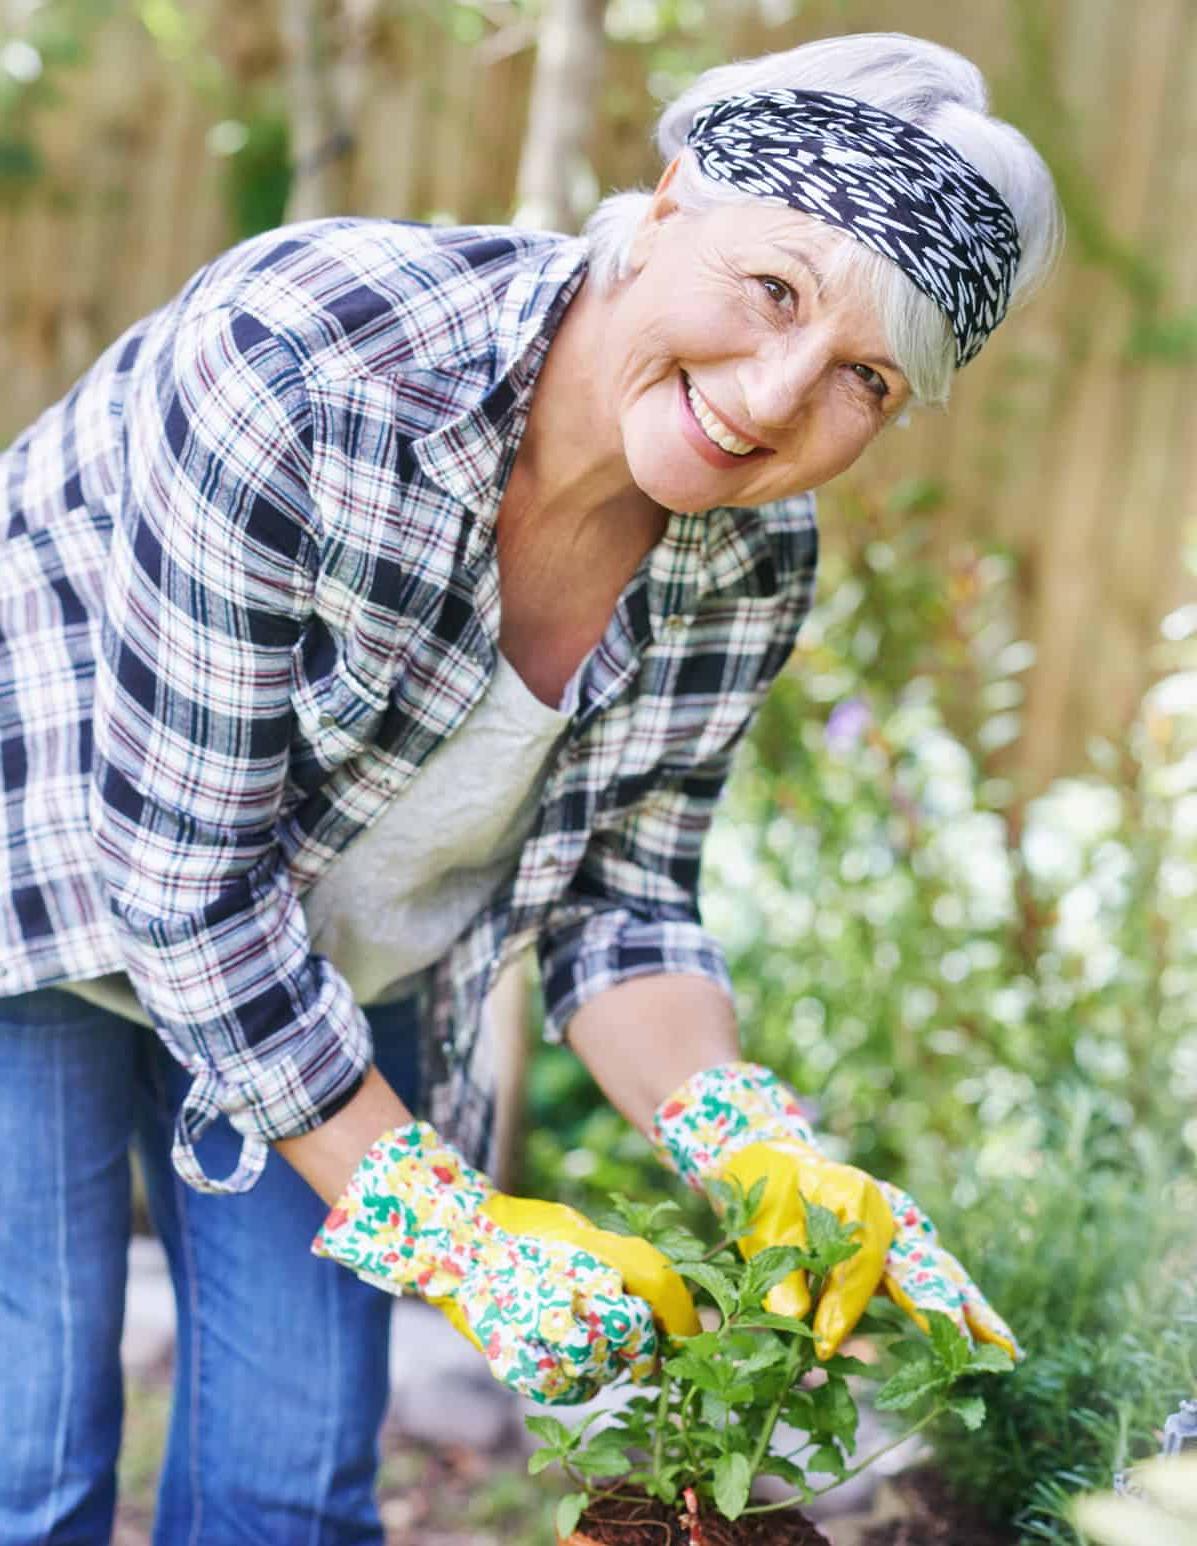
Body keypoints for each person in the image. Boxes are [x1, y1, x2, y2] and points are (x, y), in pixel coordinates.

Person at [0, 28, 1062, 1545]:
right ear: (675, 191)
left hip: (324, 943)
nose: (772, 396)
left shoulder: (747, 560)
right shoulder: (305, 363)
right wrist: (453, 1229)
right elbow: (181, 886)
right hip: (38, 874)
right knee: (24, 1456)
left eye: (864, 377)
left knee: (290, 1489)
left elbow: (620, 905)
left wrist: (756, 1142)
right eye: (774, 290)